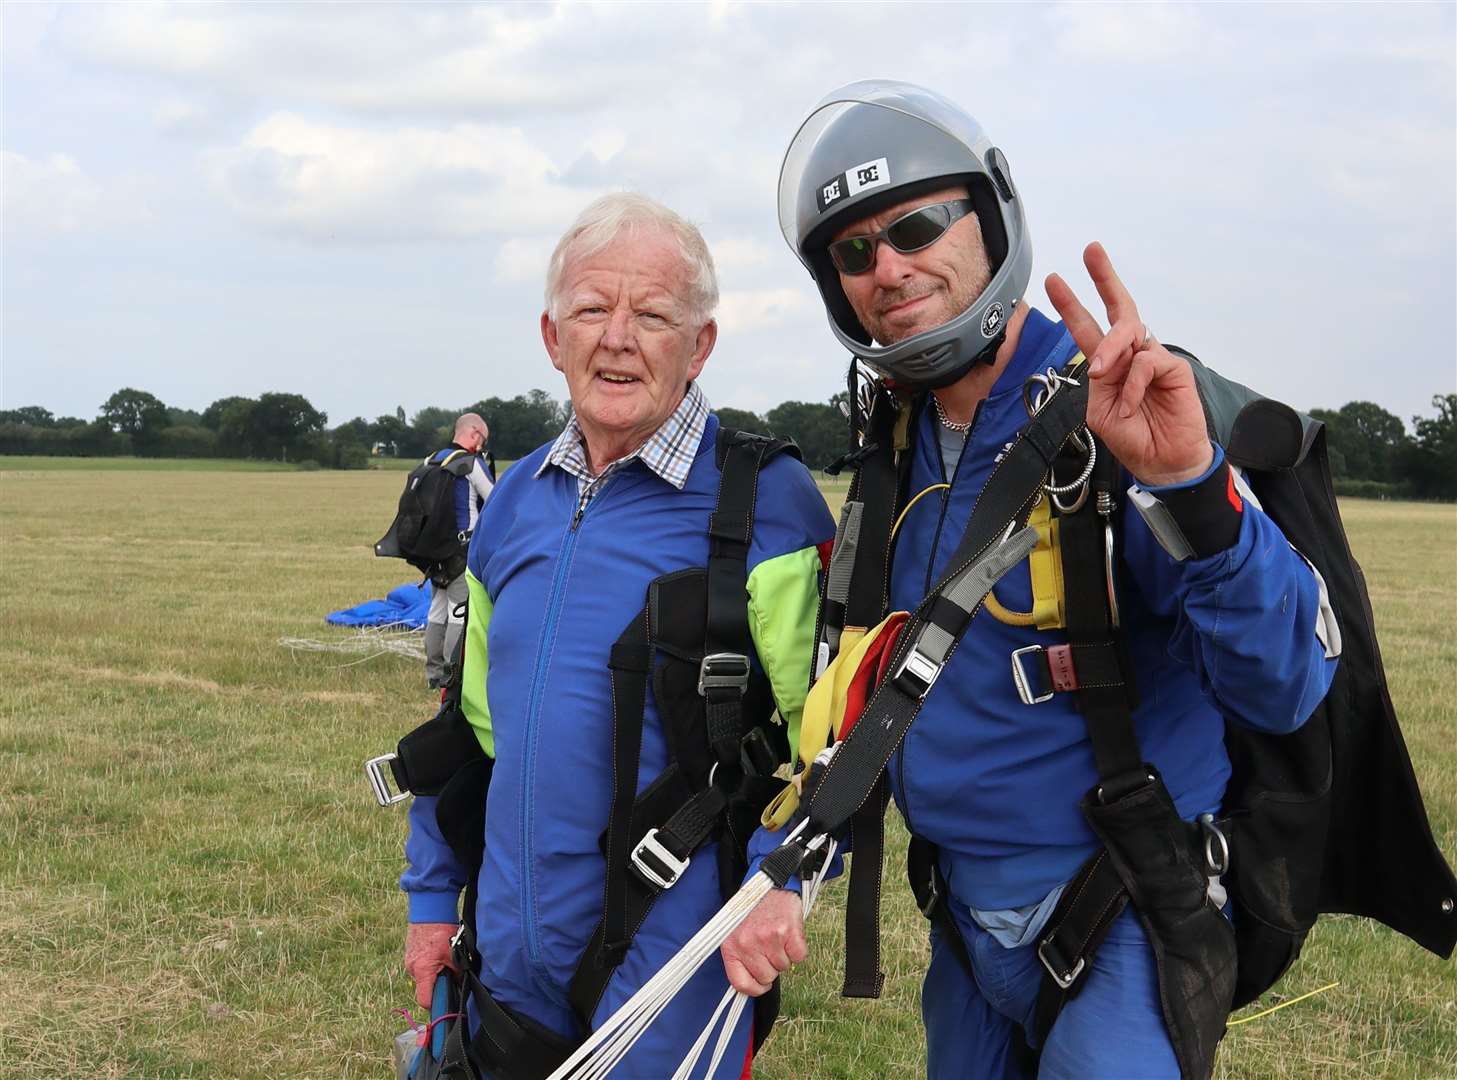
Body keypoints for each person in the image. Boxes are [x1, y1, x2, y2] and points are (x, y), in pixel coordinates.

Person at [721, 80, 1340, 1079]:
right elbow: (865, 683)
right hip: (964, 928)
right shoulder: (892, 443)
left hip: (1123, 913)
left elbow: (1281, 685)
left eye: (916, 223)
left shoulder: (1116, 405)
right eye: (851, 250)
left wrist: (1188, 487)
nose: (886, 265)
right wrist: (784, 863)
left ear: (989, 213)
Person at [400, 193, 834, 1078]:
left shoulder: (768, 505)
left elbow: (833, 745)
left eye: (653, 314)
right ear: (552, 338)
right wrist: (430, 894)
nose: (618, 337)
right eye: (592, 310)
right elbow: (470, 732)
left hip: (672, 959)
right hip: (507, 952)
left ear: (700, 343)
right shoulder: (514, 498)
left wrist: (777, 881)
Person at [423, 413, 494, 689]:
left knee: (437, 610)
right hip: (462, 548)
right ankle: (453, 676)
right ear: (474, 434)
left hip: (434, 549)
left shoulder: (433, 460)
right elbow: (495, 497)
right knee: (458, 611)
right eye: (482, 440)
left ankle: (433, 673)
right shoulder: (470, 464)